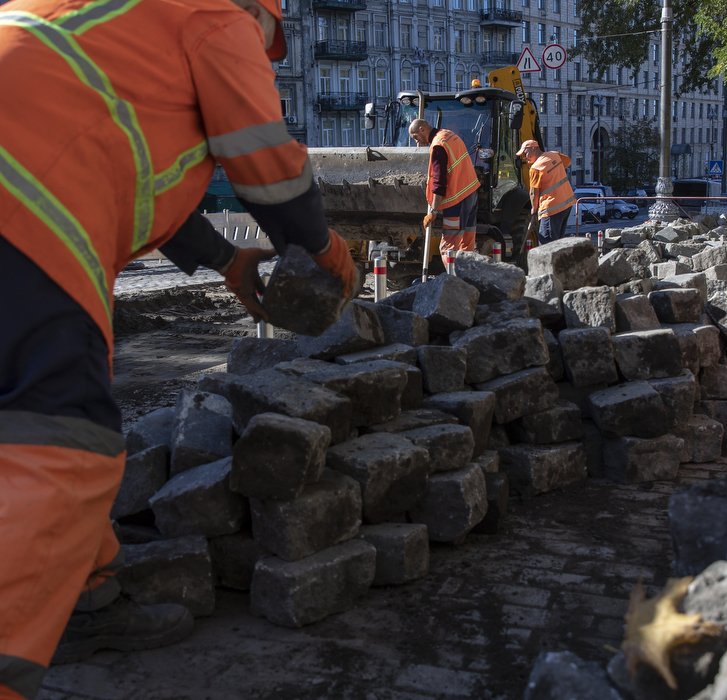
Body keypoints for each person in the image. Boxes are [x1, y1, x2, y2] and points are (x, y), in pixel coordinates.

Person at [0, 0, 355, 695]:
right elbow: (270, 168)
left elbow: (137, 163)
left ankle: (86, 591)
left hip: (29, 173)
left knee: (38, 411)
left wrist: (229, 262)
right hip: (30, 193)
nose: (264, 52)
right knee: (63, 440)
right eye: (269, 39)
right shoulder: (213, 12)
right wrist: (322, 248)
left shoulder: (119, 23)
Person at [408, 118, 481, 269]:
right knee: (467, 246)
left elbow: (439, 181)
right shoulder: (449, 136)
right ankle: (469, 281)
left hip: (456, 201)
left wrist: (433, 211)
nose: (417, 142)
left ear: (422, 129)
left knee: (448, 248)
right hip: (471, 194)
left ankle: (454, 283)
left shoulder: (438, 146)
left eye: (416, 137)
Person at [516, 140, 575, 243]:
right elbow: (567, 162)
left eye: (525, 153)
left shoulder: (536, 168)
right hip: (566, 204)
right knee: (557, 242)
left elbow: (533, 192)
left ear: (534, 148)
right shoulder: (554, 155)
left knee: (546, 243)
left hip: (552, 208)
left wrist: (534, 210)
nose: (525, 157)